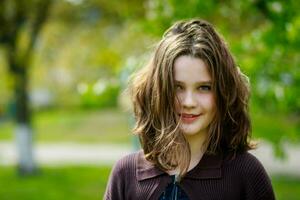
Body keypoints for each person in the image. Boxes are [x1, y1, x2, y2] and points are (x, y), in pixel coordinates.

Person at [104, 19, 275, 200]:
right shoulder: (126, 174)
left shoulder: (246, 174)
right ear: (157, 90)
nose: (189, 102)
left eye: (204, 87)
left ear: (224, 93)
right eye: (177, 87)